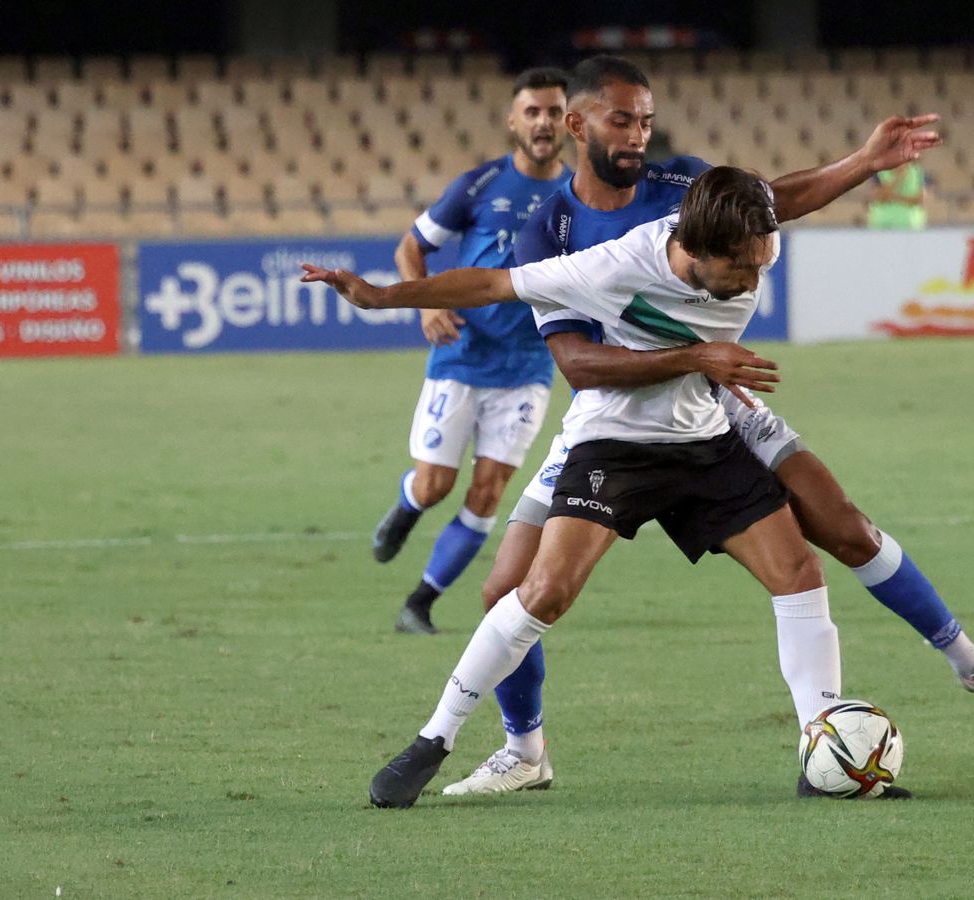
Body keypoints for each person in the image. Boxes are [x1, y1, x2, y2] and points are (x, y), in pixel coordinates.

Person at [433, 55, 974, 798]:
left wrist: (862, 163)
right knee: (505, 590)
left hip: (716, 399)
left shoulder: (682, 183)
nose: (638, 135)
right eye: (622, 121)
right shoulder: (550, 231)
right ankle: (524, 751)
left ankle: (970, 663)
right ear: (580, 125)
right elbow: (576, 360)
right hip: (612, 415)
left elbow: (774, 200)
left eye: (645, 120)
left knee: (843, 527)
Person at [306, 167, 903, 808]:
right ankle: (434, 739)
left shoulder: (751, 235)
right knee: (544, 591)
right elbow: (490, 283)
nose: (756, 280)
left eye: (763, 261)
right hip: (615, 441)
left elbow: (787, 198)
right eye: (742, 269)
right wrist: (380, 296)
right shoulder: (616, 265)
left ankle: (822, 755)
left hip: (703, 442)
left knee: (798, 572)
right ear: (697, 250)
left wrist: (867, 158)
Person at [369, 68, 572, 635]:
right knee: (435, 484)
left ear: (568, 123)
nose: (543, 122)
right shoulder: (479, 186)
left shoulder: (580, 197)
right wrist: (427, 306)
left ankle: (420, 603)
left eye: (554, 112)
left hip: (528, 368)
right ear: (513, 121)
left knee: (487, 493)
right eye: (532, 111)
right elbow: (411, 247)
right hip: (461, 356)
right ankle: (409, 505)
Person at [867, 161, 928, 230]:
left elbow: (919, 200)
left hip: (911, 226)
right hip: (883, 226)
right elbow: (878, 197)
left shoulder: (916, 171)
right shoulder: (879, 172)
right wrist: (898, 178)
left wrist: (893, 197)